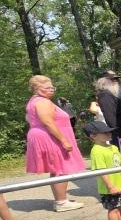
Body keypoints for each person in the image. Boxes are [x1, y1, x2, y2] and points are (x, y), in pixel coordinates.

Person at [25, 75, 85, 212]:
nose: (51, 90)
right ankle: (62, 202)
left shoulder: (33, 101)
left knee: (57, 167)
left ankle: (61, 200)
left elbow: (30, 119)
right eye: (47, 88)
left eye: (52, 87)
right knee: (60, 167)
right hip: (51, 137)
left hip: (45, 135)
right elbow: (47, 122)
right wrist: (64, 139)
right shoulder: (42, 102)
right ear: (35, 88)